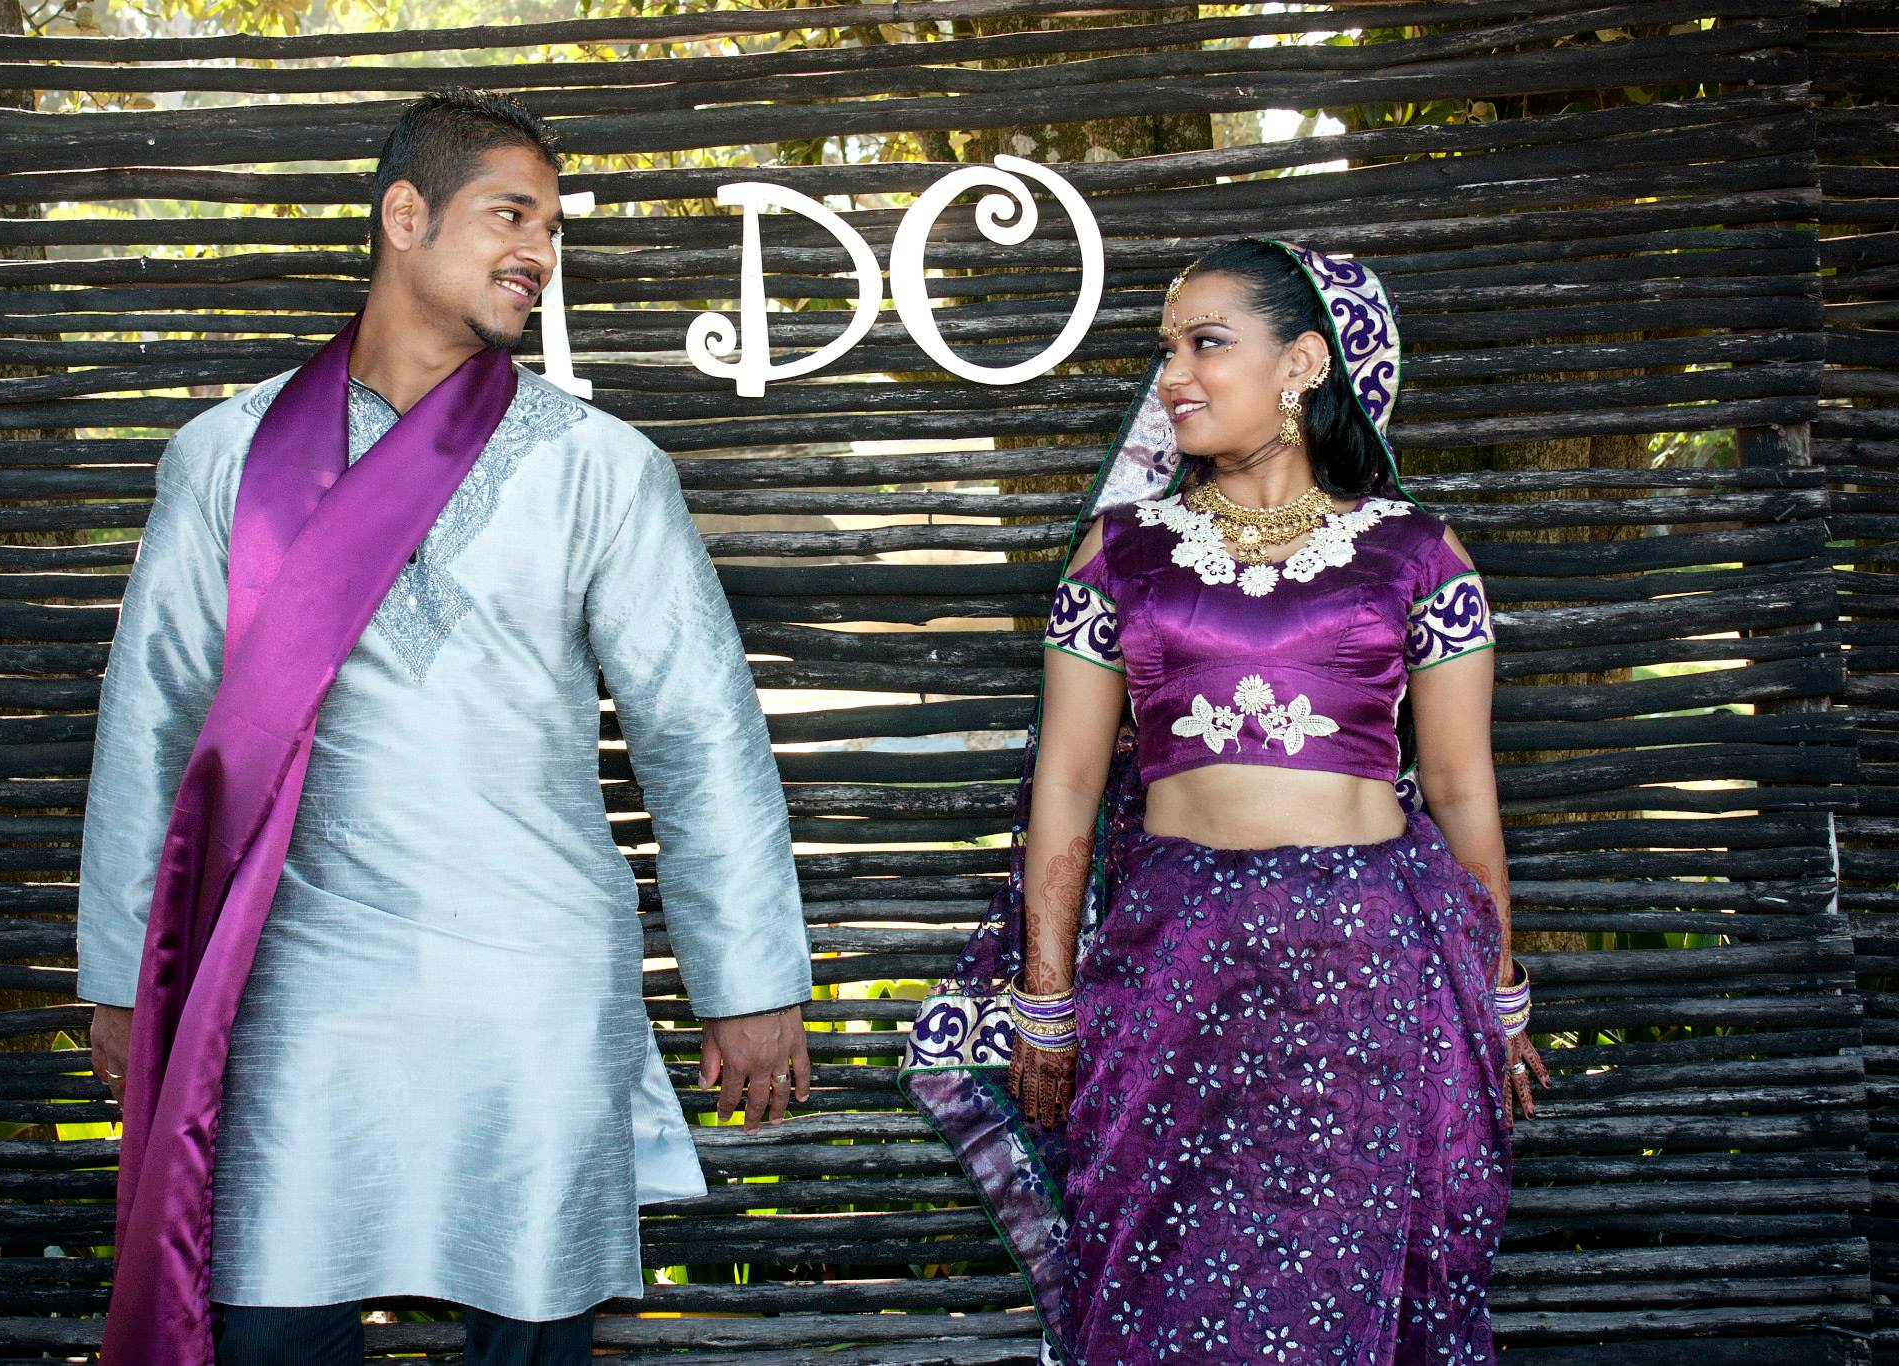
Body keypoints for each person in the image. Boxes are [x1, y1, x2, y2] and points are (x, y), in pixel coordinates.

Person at [77, 88, 814, 1366]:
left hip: (534, 986)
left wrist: (747, 981)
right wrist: (119, 975)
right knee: (267, 1327)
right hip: (297, 986)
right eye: (509, 215)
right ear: (404, 215)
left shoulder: (598, 466)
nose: (538, 251)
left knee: (531, 1326)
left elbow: (698, 733)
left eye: (553, 229)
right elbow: (153, 720)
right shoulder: (225, 456)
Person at [902, 239, 1548, 1365]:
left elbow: (1456, 784)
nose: (1172, 377)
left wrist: (1498, 993)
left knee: (1362, 1271)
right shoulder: (1121, 554)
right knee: (1164, 1271)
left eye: (1205, 344)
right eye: (1166, 350)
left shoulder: (1416, 553)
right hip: (1176, 965)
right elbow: (1068, 781)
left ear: (1302, 363)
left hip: (1374, 971)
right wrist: (1046, 1000)